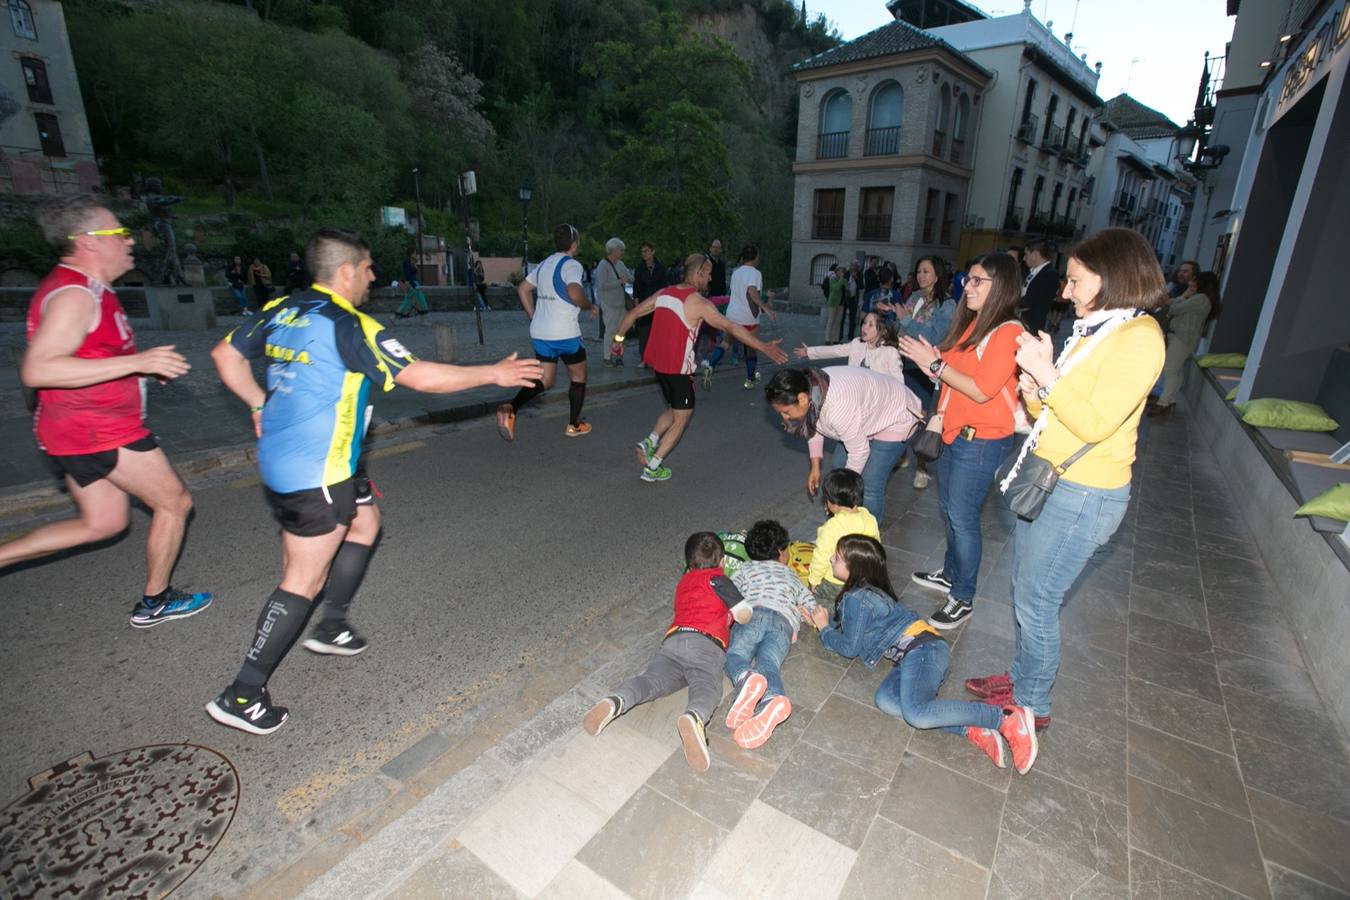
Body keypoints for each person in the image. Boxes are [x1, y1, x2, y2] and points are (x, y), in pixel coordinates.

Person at [206, 228, 541, 735]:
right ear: (344, 272)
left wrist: (257, 404)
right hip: (316, 472)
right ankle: (243, 692)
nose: (373, 275)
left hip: (305, 460)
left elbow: (224, 356)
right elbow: (420, 376)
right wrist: (492, 374)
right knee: (302, 579)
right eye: (366, 267)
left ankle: (332, 623)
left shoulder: (284, 308)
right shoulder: (349, 324)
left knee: (366, 525)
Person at [967, 227, 1166, 731]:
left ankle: (1032, 704)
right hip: (1051, 479)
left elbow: (1097, 423)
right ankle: (1020, 677)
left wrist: (1048, 377)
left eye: (1075, 281)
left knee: (1038, 599)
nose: (1065, 291)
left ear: (1111, 277)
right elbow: (1051, 416)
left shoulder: (1140, 337)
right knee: (1024, 587)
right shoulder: (1098, 329)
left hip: (1085, 494)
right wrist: (1035, 387)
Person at [1, 194, 212, 627]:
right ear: (87, 242)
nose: (130, 240)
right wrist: (138, 362)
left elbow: (87, 357)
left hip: (76, 429)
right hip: (98, 429)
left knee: (102, 523)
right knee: (175, 503)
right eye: (119, 233)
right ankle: (156, 601)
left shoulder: (88, 288)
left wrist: (139, 372)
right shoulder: (75, 294)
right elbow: (38, 368)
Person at [799, 535, 1038, 774]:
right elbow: (854, 631)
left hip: (924, 650)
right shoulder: (863, 592)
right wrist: (823, 622)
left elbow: (850, 648)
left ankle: (1004, 718)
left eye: (838, 557)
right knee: (886, 700)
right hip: (919, 654)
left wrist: (824, 629)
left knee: (916, 713)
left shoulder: (856, 597)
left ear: (854, 567)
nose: (831, 558)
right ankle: (970, 728)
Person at [897, 252, 1024, 629]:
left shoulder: (1008, 331)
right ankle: (951, 574)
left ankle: (963, 596)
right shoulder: (974, 325)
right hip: (955, 434)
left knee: (963, 518)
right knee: (951, 511)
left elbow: (983, 390)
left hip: (982, 440)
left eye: (977, 281)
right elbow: (947, 373)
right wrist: (926, 359)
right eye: (967, 279)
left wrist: (935, 364)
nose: (967, 286)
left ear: (999, 286)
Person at [582, 531, 752, 773]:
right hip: (705, 645)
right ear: (722, 561)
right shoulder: (719, 580)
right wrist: (736, 613)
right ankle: (694, 716)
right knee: (708, 685)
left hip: (673, 642)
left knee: (651, 681)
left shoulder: (683, 583)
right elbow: (744, 612)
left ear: (688, 564)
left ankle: (615, 700)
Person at [611, 253, 787, 483]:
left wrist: (618, 341)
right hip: (679, 371)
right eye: (709, 273)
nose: (711, 278)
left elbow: (633, 313)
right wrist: (762, 346)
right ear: (699, 272)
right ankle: (653, 468)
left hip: (660, 369)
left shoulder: (663, 293)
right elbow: (731, 327)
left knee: (674, 410)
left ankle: (650, 442)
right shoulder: (698, 303)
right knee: (682, 419)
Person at [765, 366, 921, 522]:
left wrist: (840, 497)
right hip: (867, 413)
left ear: (802, 398)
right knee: (840, 466)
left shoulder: (837, 407)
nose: (784, 418)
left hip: (896, 415)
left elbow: (859, 451)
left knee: (870, 484)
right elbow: (813, 426)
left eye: (785, 411)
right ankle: (845, 524)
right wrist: (815, 467)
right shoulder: (813, 387)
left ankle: (868, 537)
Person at [496, 224, 598, 441]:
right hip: (565, 333)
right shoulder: (572, 265)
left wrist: (534, 315)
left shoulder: (543, 264)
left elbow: (522, 288)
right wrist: (590, 306)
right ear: (574, 244)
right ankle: (574, 424)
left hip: (541, 333)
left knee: (546, 380)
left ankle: (510, 408)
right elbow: (574, 292)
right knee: (579, 376)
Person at [723, 519, 818, 749]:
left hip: (752, 615)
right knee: (768, 662)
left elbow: (731, 592)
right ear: (780, 553)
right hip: (784, 624)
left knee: (735, 655)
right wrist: (812, 615)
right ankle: (772, 699)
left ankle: (746, 678)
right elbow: (808, 601)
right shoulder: (792, 576)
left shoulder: (746, 569)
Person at [878, 255, 955, 489]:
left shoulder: (947, 304)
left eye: (926, 272)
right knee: (900, 411)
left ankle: (921, 466)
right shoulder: (913, 298)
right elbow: (901, 330)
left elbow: (935, 337)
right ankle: (900, 454)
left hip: (924, 368)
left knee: (921, 416)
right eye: (919, 271)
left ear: (937, 275)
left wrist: (906, 320)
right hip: (902, 364)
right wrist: (888, 320)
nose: (921, 276)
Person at [806, 468, 879, 605]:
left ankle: (831, 613)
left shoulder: (832, 526)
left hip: (834, 581)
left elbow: (821, 556)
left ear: (832, 503)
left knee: (816, 600)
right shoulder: (870, 519)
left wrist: (813, 581)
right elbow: (875, 548)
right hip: (862, 579)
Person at [1151, 269, 1219, 417]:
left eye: (1194, 284)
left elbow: (1174, 308)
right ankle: (1170, 400)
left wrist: (1184, 296)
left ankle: (1163, 402)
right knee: (1176, 370)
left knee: (1170, 370)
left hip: (1182, 338)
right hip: (1184, 338)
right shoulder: (1203, 299)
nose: (1191, 286)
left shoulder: (1200, 298)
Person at [708, 245, 774, 390]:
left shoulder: (736, 273)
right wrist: (765, 308)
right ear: (756, 257)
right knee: (751, 348)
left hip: (732, 315)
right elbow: (752, 291)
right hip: (748, 317)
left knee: (725, 344)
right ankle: (750, 379)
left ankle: (710, 365)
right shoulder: (755, 273)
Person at [794, 311, 904, 382]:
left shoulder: (890, 353)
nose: (864, 328)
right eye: (864, 323)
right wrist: (809, 352)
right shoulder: (857, 344)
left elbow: (899, 384)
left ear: (883, 331)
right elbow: (834, 350)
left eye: (870, 325)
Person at [595, 237, 634, 367]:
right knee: (610, 331)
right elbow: (601, 285)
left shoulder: (621, 264)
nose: (622, 252)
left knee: (621, 332)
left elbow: (629, 277)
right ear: (613, 250)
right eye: (620, 250)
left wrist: (630, 279)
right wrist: (620, 281)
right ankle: (607, 357)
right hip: (609, 304)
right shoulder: (603, 265)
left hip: (621, 304)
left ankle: (618, 356)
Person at [632, 242, 666, 364]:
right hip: (644, 304)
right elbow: (636, 289)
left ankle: (657, 358)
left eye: (646, 251)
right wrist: (637, 308)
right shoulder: (639, 269)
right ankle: (644, 359)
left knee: (658, 333)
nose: (644, 254)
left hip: (658, 304)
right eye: (642, 251)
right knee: (644, 334)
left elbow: (665, 287)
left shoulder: (661, 268)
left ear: (652, 251)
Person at [1019, 240, 1060, 335]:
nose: (1024, 258)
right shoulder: (1032, 271)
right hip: (1022, 322)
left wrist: (1008, 303)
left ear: (1035, 254)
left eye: (1026, 254)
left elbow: (1032, 300)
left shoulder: (1050, 274)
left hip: (1031, 325)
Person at [396, 249, 428, 319]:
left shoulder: (410, 261)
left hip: (413, 283)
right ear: (411, 254)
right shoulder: (407, 261)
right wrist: (414, 285)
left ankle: (394, 317)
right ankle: (394, 317)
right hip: (412, 283)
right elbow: (408, 275)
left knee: (416, 299)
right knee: (414, 300)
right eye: (415, 253)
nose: (416, 254)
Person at [823, 265, 845, 343]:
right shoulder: (832, 278)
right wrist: (841, 279)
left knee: (838, 322)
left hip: (841, 303)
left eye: (842, 271)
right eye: (840, 271)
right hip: (833, 302)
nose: (841, 273)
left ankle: (836, 339)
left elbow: (847, 287)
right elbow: (836, 288)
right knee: (831, 320)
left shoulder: (843, 279)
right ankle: (827, 339)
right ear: (836, 272)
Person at [842, 261, 862, 341]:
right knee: (842, 317)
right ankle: (840, 336)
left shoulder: (860, 274)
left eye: (855, 266)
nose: (853, 267)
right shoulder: (846, 273)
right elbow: (842, 284)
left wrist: (856, 278)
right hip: (845, 298)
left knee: (852, 318)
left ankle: (851, 336)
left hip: (854, 298)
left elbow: (861, 286)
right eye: (852, 265)